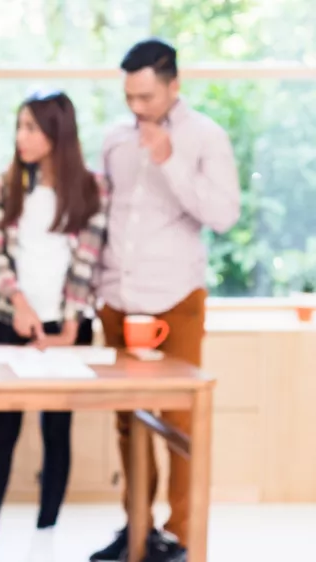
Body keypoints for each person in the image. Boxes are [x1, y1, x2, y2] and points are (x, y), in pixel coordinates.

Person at [89, 39, 240, 562]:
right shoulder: (113, 139)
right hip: (117, 298)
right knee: (128, 420)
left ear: (174, 85)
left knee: (179, 421)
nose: (137, 108)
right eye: (130, 96)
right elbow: (102, 219)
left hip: (174, 298)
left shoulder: (205, 138)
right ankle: (138, 530)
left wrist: (171, 161)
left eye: (147, 96)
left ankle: (179, 537)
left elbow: (223, 215)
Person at [0, 90, 107, 562]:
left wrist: (69, 324)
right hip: (12, 324)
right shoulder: (8, 185)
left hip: (66, 332)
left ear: (56, 133)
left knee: (56, 432)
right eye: (20, 126)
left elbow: (88, 260)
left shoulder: (90, 189)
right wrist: (20, 306)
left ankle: (45, 535)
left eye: (32, 128)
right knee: (1, 432)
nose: (22, 137)